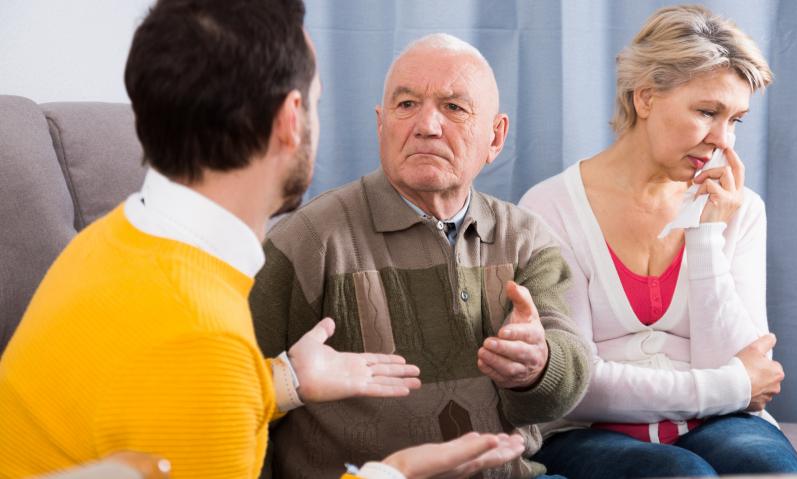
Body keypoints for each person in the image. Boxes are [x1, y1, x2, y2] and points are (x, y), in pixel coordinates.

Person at [0, 1, 527, 478]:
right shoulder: (201, 338)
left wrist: (284, 380)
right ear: (289, 121)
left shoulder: (113, 240)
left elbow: (158, 401)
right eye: (317, 103)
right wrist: (394, 473)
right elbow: (193, 376)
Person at [249, 33, 590, 479]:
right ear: (381, 124)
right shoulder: (306, 242)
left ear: (496, 136)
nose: (426, 125)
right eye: (406, 105)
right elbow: (234, 398)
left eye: (453, 107)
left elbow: (561, 393)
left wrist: (537, 367)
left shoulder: (526, 239)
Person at [519, 5, 797, 478]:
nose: (722, 142)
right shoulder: (551, 208)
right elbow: (577, 384)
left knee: (768, 471)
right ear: (646, 97)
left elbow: (747, 366)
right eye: (707, 112)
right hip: (586, 431)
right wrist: (733, 383)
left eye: (736, 120)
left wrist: (708, 235)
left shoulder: (739, 209)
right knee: (681, 474)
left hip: (721, 421)